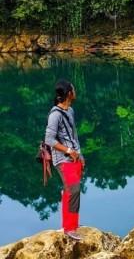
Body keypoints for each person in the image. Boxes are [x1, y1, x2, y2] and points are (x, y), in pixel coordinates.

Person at [44, 79, 85, 241]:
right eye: (73, 90)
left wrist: (80, 154)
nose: (75, 92)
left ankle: (71, 224)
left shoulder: (70, 111)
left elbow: (74, 136)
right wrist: (68, 151)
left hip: (74, 157)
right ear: (69, 94)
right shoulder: (55, 115)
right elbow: (49, 139)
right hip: (62, 159)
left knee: (69, 191)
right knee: (73, 190)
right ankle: (69, 228)